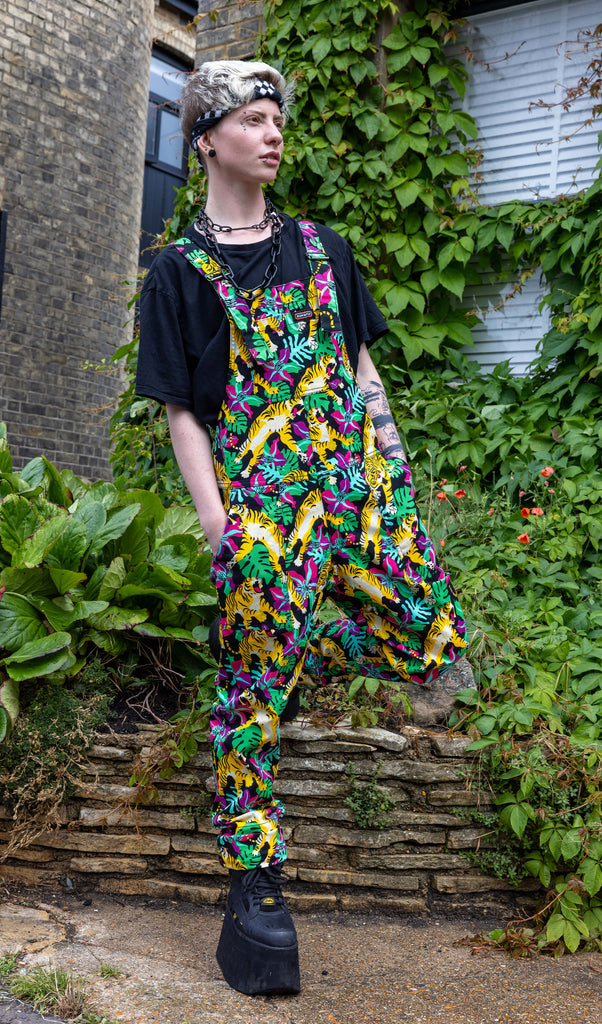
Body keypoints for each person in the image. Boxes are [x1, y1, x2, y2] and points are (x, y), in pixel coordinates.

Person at [135, 59, 466, 996]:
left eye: (279, 116)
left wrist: (397, 482)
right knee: (248, 709)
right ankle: (254, 889)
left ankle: (298, 654)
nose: (274, 131)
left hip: (360, 498)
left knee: (430, 643)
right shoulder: (181, 272)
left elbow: (362, 373)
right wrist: (218, 527)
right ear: (207, 139)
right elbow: (183, 415)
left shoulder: (324, 249)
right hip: (261, 517)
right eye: (252, 117)